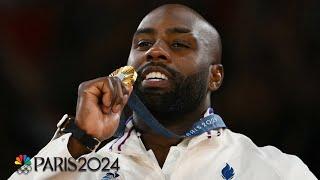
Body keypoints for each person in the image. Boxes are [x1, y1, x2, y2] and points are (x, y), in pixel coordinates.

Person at [9, 4, 316, 180]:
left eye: (180, 44)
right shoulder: (85, 165)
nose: (155, 51)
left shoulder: (275, 170)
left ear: (215, 76)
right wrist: (80, 140)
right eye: (143, 44)